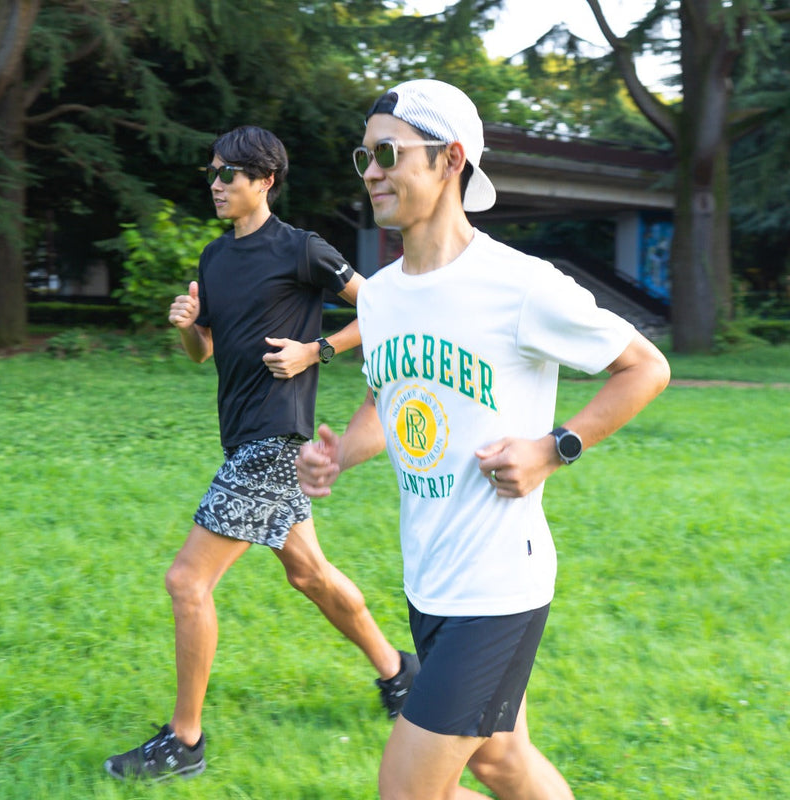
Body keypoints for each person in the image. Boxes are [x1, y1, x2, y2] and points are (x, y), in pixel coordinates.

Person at [295, 79, 672, 799]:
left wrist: (551, 447)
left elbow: (644, 368)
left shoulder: (521, 285)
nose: (371, 170)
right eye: (364, 155)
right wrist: (339, 454)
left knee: (406, 790)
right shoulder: (379, 295)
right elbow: (392, 402)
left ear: (449, 161)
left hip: (499, 582)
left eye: (387, 152)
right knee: (500, 763)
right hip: (429, 575)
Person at [104, 125, 418, 782]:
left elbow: (387, 310)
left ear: (265, 180)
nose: (217, 185)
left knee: (187, 582)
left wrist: (317, 350)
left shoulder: (301, 250)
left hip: (277, 438)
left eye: (230, 175)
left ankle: (184, 742)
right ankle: (399, 673)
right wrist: (190, 328)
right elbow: (207, 352)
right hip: (244, 432)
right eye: (213, 173)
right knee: (309, 575)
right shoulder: (215, 259)